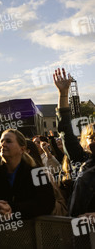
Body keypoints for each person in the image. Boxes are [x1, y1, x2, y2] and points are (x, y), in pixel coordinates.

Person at [0, 129, 55, 219]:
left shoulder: (37, 173)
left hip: (27, 230)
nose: (3, 144)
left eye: (8, 141)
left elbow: (47, 202)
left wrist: (12, 209)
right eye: (1, 141)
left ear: (22, 149)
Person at [53, 68, 95, 217]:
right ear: (84, 142)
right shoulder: (80, 159)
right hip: (78, 232)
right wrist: (63, 94)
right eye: (92, 138)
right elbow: (65, 130)